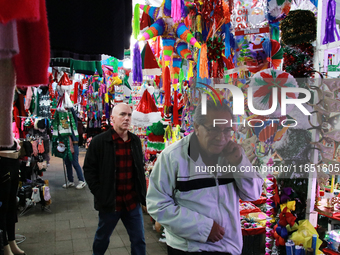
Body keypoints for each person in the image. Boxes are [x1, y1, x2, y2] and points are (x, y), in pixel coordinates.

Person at [146, 100, 264, 255]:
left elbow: (253, 194)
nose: (221, 138)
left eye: (227, 130)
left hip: (229, 246)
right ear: (196, 127)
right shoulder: (173, 157)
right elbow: (157, 205)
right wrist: (203, 227)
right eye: (214, 129)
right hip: (189, 249)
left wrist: (239, 164)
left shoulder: (233, 154)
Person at [83, 103, 146, 255]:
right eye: (122, 115)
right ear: (112, 118)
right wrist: (101, 193)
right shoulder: (99, 142)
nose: (127, 118)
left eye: (129, 115)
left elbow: (139, 169)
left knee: (139, 240)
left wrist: (141, 194)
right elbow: (89, 170)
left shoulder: (135, 142)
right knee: (102, 238)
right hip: (111, 202)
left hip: (132, 201)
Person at [62, 108, 86, 189]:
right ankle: (70, 180)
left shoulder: (74, 124)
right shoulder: (65, 125)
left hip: (74, 144)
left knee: (75, 163)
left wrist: (70, 107)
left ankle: (82, 180)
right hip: (66, 145)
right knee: (67, 163)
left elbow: (74, 117)